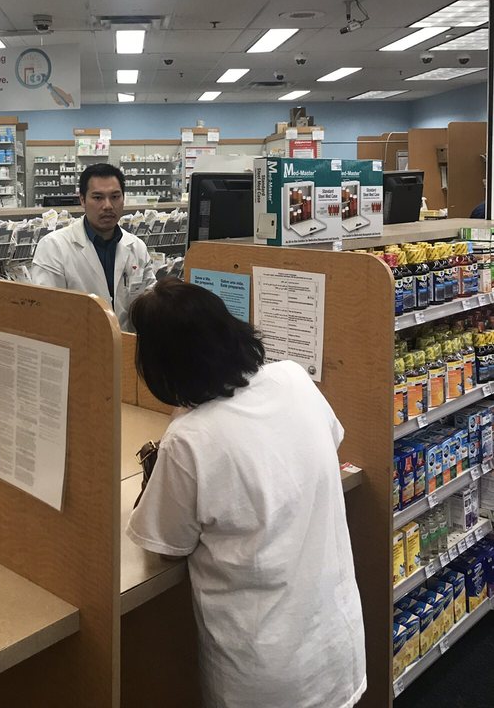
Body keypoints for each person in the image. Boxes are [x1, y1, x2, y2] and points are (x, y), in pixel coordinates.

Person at [126, 278, 366, 708]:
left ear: (162, 366)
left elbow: (166, 547)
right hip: (335, 643)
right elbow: (328, 443)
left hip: (264, 673)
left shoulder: (189, 438)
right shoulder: (293, 377)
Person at [30, 163, 155, 330]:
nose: (108, 205)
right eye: (98, 198)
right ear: (82, 200)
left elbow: (150, 303)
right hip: (79, 344)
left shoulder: (137, 247)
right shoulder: (54, 247)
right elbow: (47, 312)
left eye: (115, 197)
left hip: (128, 343)